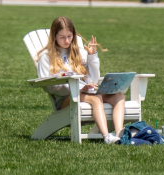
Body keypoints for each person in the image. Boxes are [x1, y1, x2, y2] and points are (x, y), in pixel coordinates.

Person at [35, 16, 124, 144]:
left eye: (69, 36)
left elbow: (92, 79)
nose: (66, 40)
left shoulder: (79, 53)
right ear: (54, 37)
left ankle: (119, 132)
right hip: (66, 98)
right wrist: (79, 89)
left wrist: (92, 57)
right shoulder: (46, 57)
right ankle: (106, 137)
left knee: (119, 96)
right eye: (62, 37)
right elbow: (48, 85)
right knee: (95, 98)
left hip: (87, 92)